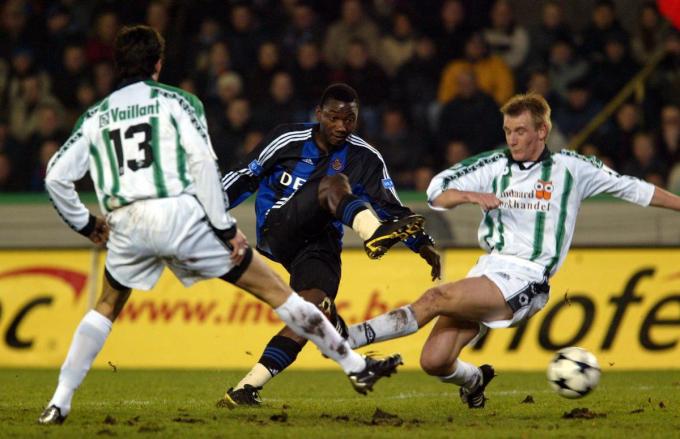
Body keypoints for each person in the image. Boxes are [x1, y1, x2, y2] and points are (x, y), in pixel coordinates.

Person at [37, 26, 402, 425]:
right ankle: (354, 365)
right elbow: (205, 169)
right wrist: (226, 229)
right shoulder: (180, 102)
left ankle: (60, 401)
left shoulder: (96, 115)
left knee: (106, 307)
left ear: (116, 65)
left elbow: (55, 176)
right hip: (179, 217)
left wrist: (87, 224)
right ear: (158, 63)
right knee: (281, 294)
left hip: (126, 223)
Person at [343, 92, 680, 409]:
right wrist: (471, 196)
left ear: (542, 130)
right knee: (434, 361)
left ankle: (347, 339)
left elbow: (634, 189)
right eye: (508, 131)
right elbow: (437, 191)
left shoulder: (572, 169)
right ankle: (475, 379)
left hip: (527, 278)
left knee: (435, 298)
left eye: (520, 130)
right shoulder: (493, 165)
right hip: (487, 271)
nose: (513, 139)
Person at [219, 83, 441, 407]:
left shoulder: (366, 157)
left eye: (349, 120)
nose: (341, 127)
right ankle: (371, 232)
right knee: (333, 184)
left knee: (311, 311)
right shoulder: (288, 139)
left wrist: (423, 246)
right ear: (319, 114)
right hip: (280, 225)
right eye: (334, 118)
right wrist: (209, 212)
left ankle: (246, 388)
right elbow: (243, 175)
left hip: (320, 243)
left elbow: (393, 209)